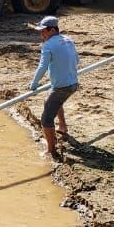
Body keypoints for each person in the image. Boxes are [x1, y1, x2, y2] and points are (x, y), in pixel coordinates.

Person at [29, 16, 79, 161]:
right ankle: (62, 127)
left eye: (43, 32)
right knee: (50, 101)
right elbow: (77, 60)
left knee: (46, 118)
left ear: (52, 30)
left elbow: (42, 67)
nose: (41, 35)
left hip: (62, 87)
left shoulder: (48, 45)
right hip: (73, 83)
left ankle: (51, 150)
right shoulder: (68, 40)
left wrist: (34, 83)